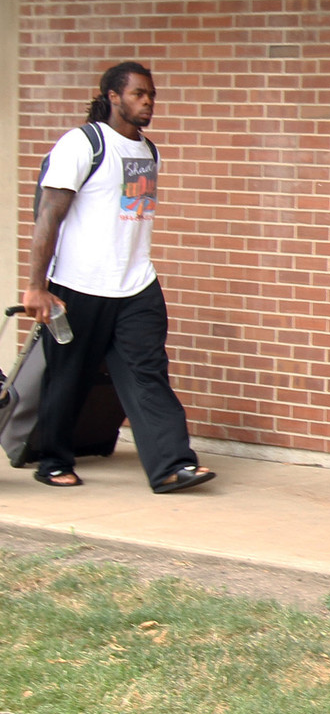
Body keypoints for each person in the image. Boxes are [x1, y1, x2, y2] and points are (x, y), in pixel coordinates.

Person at [21, 61, 214, 493]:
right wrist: (36, 286)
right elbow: (48, 215)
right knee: (68, 378)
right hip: (78, 284)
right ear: (113, 97)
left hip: (136, 284)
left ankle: (171, 466)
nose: (148, 102)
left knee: (148, 373)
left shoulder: (148, 151)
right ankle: (53, 460)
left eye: (152, 95)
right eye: (138, 94)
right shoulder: (82, 144)